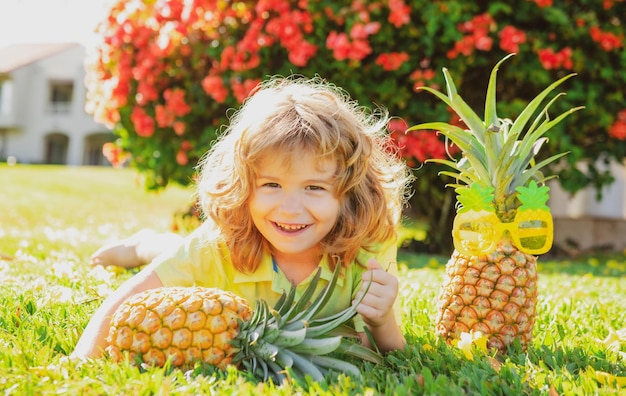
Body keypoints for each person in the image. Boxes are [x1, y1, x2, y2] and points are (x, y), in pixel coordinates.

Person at [72, 76, 413, 360]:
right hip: (208, 260)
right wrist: (81, 363)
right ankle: (142, 245)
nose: (290, 208)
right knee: (172, 253)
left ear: (350, 193)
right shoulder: (218, 243)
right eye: (271, 185)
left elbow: (390, 351)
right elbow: (126, 300)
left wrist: (382, 320)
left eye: (314, 187)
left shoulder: (368, 245)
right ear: (245, 185)